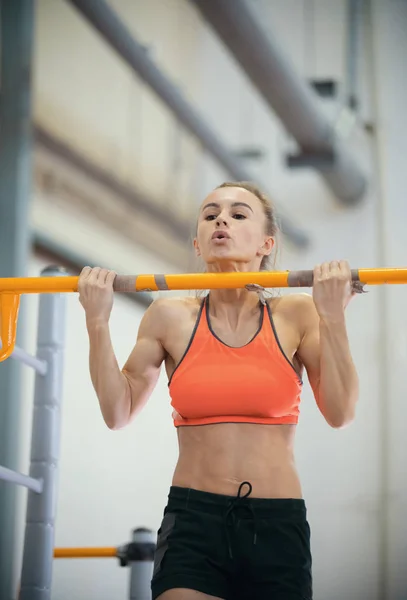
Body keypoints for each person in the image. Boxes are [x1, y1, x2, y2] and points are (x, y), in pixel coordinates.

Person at [78, 181, 359, 600]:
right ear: (198, 242)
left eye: (238, 213)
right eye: (210, 215)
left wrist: (333, 318)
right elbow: (117, 413)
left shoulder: (296, 314)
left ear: (267, 243)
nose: (221, 219)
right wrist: (97, 322)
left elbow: (340, 413)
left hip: (276, 524)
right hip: (194, 520)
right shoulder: (168, 316)